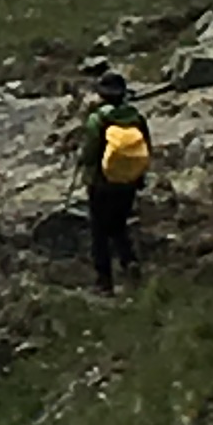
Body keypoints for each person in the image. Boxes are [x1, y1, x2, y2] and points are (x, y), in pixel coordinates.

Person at [79, 68, 155, 292]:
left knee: (99, 232)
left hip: (101, 183)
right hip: (128, 182)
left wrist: (84, 164)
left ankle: (104, 282)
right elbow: (146, 148)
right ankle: (129, 262)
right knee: (119, 227)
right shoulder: (136, 117)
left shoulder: (97, 118)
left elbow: (90, 152)